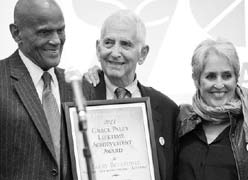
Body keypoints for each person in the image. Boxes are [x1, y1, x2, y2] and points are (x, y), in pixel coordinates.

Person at [82, 10, 179, 180]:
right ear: (98, 49)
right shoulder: (78, 98)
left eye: (125, 44)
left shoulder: (167, 109)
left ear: (143, 54)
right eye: (108, 43)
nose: (115, 52)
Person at [0, 0, 73, 179]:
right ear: (16, 33)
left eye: (61, 30)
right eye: (45, 32)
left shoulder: (79, 87)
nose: (56, 40)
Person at [176, 39, 248, 180]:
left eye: (227, 76)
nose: (219, 84)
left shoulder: (246, 124)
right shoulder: (181, 121)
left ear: (236, 78)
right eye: (211, 76)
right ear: (197, 80)